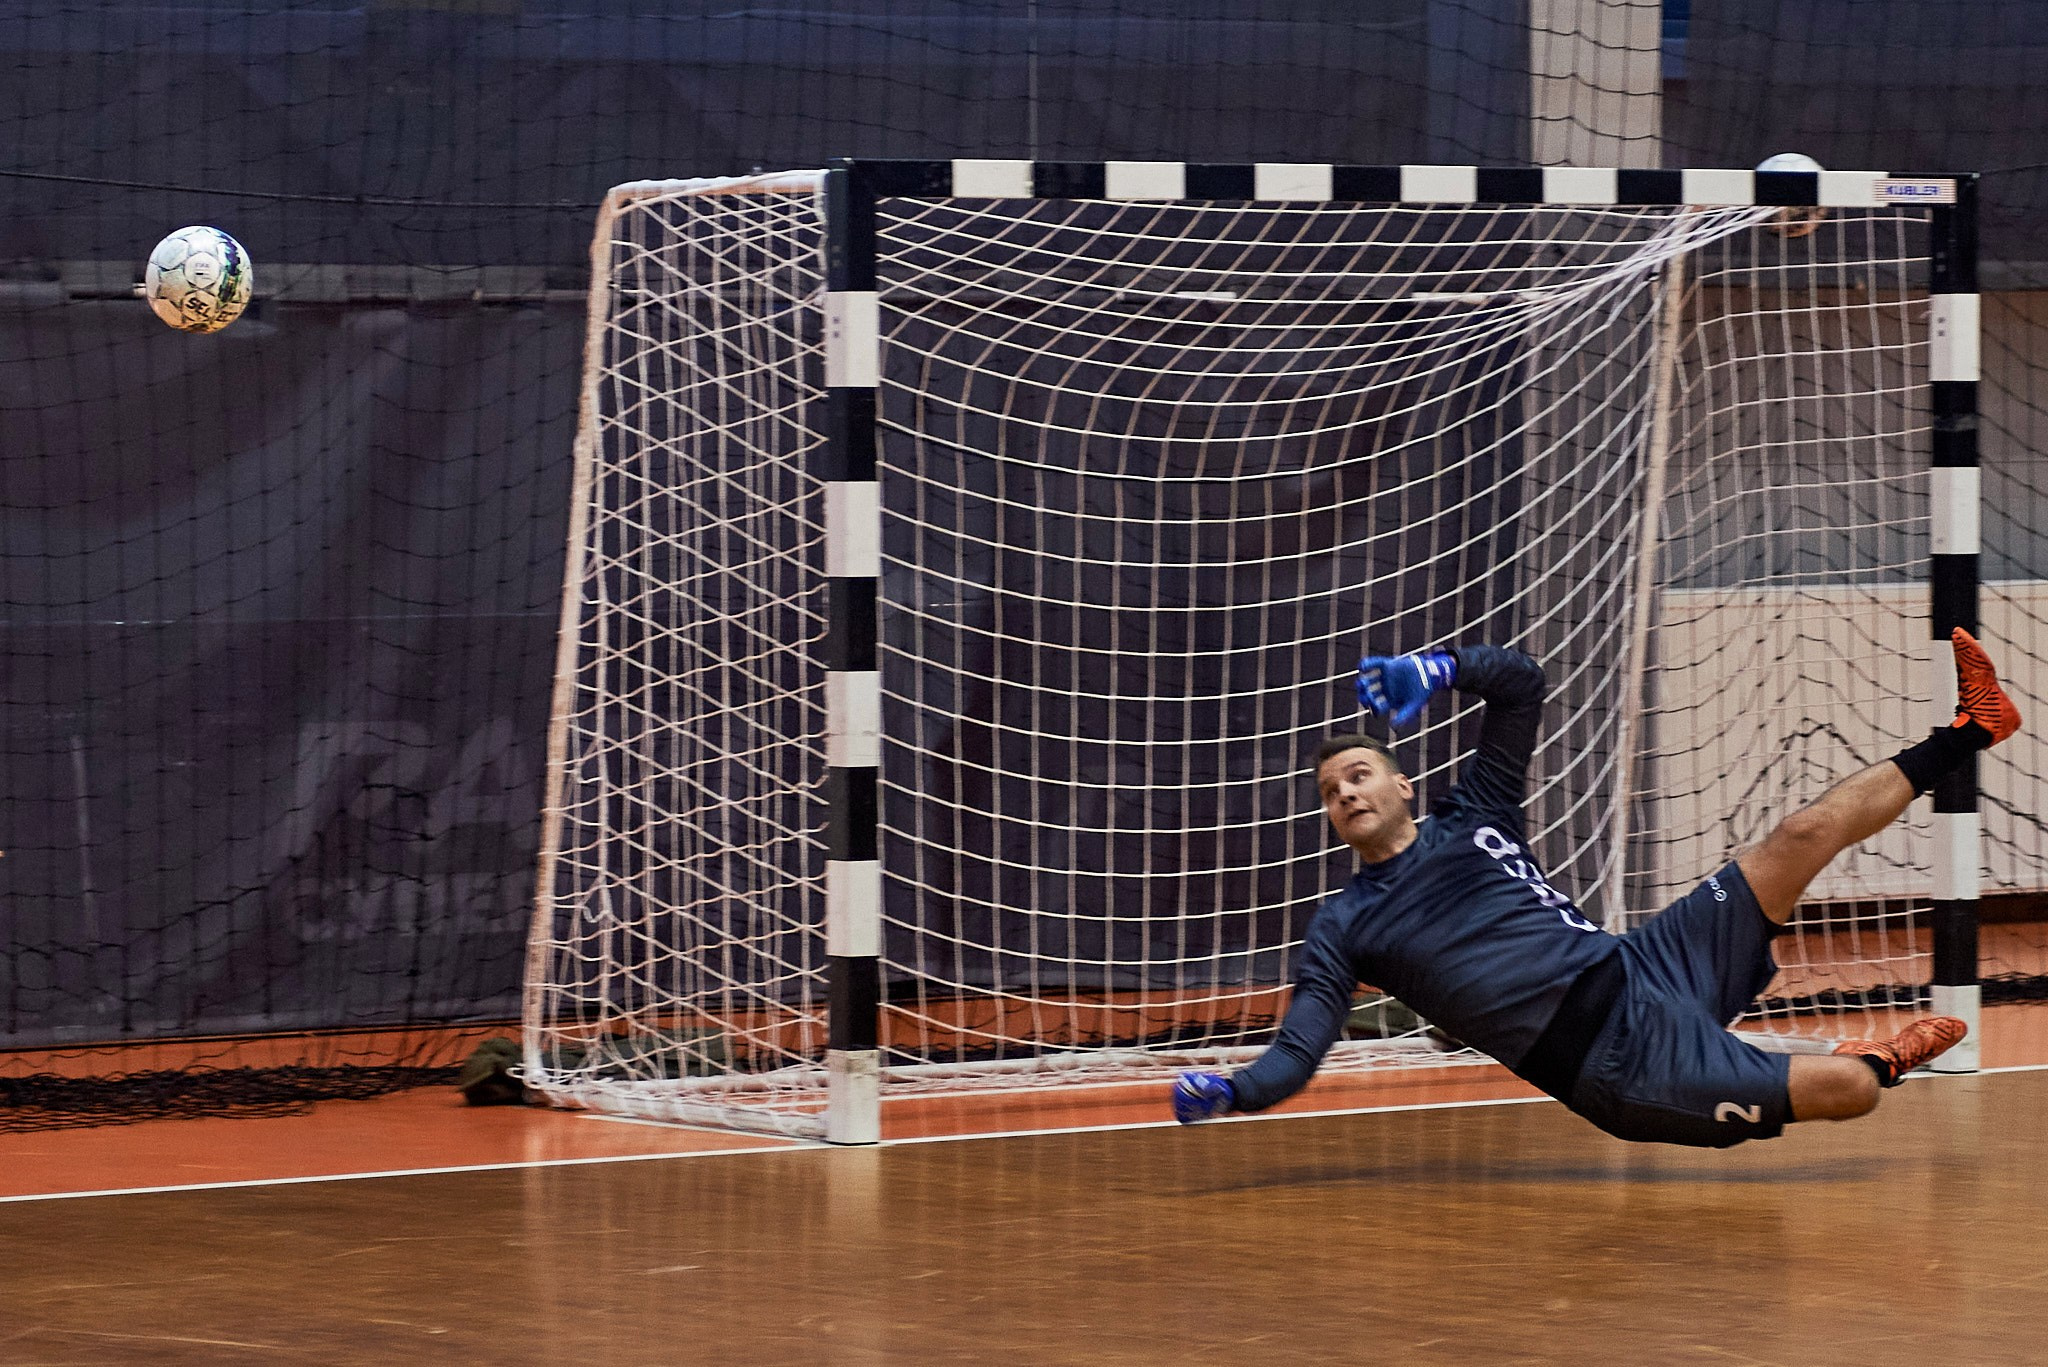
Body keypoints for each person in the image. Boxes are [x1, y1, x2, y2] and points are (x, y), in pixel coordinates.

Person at [1170, 630, 2021, 1147]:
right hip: (1620, 1065)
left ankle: (1974, 727)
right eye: (1330, 791)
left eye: (1359, 774)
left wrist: (1437, 668)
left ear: (1400, 784)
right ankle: (1879, 1057)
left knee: (1797, 834)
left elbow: (1522, 684)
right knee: (1850, 1093)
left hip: (1649, 964)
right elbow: (1301, 1048)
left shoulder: (1475, 811)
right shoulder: (1345, 925)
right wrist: (1237, 1089)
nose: (1346, 793)